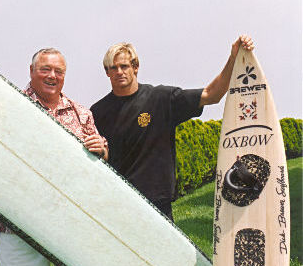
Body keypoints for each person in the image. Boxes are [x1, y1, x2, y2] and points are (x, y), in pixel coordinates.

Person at [0, 48, 108, 266]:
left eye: (58, 71)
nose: (52, 76)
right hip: (15, 223)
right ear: (31, 71)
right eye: (45, 69)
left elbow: (101, 159)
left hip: (71, 224)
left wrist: (103, 150)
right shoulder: (7, 107)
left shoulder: (81, 114)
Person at [90, 35, 254, 221]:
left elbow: (212, 95)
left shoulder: (161, 98)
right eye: (113, 68)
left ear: (135, 67)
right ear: (107, 72)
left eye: (124, 66)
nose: (119, 71)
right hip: (119, 203)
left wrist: (233, 58)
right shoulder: (97, 112)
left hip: (158, 202)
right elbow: (99, 157)